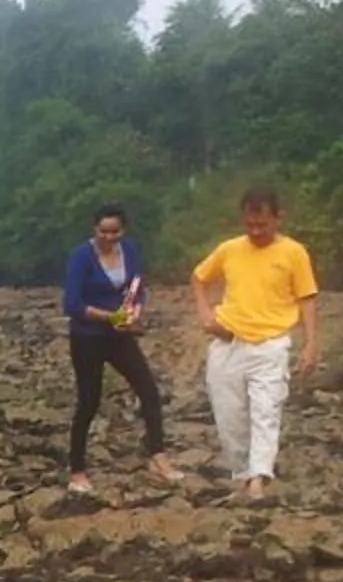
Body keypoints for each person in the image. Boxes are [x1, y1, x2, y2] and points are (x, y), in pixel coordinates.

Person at [188, 186, 321, 503]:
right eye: (250, 224)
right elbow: (198, 277)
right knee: (229, 416)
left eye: (262, 224)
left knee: (266, 411)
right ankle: (243, 476)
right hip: (228, 342)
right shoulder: (230, 249)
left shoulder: (293, 253)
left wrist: (311, 344)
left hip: (270, 344)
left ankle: (260, 478)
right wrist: (205, 313)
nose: (256, 231)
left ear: (278, 218)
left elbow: (307, 299)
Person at [61, 203, 182, 494]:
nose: (109, 237)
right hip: (87, 336)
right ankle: (77, 469)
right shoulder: (81, 257)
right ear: (94, 230)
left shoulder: (129, 250)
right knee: (89, 401)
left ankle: (158, 455)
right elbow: (72, 304)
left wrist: (136, 309)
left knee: (149, 390)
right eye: (103, 231)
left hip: (119, 336)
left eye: (114, 232)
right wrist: (108, 316)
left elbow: (137, 285)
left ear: (123, 230)